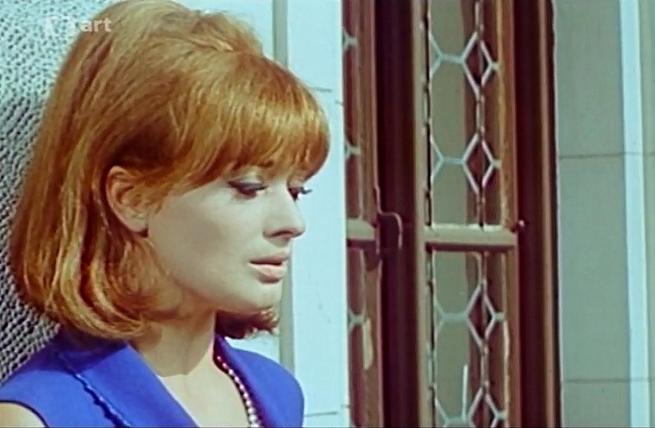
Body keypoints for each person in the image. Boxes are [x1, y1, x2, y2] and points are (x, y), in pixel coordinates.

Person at [0, 0, 328, 426]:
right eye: (249, 187)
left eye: (296, 190)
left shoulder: (278, 393)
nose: (292, 224)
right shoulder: (40, 415)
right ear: (132, 198)